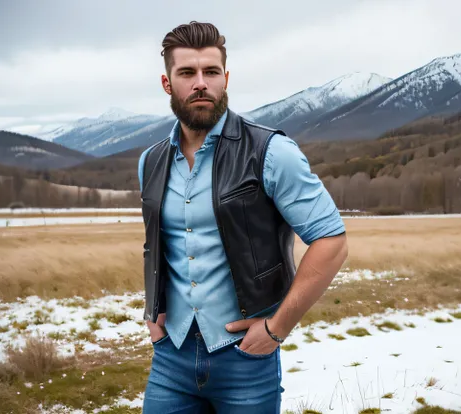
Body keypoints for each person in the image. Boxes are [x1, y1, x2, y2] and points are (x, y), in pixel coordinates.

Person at [137, 21, 349, 413]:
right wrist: (153, 312)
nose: (200, 83)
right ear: (168, 84)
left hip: (245, 359)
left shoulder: (271, 152)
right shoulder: (150, 161)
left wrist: (276, 328)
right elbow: (159, 243)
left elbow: (332, 241)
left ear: (225, 78)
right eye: (187, 73)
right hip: (171, 358)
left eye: (211, 72)